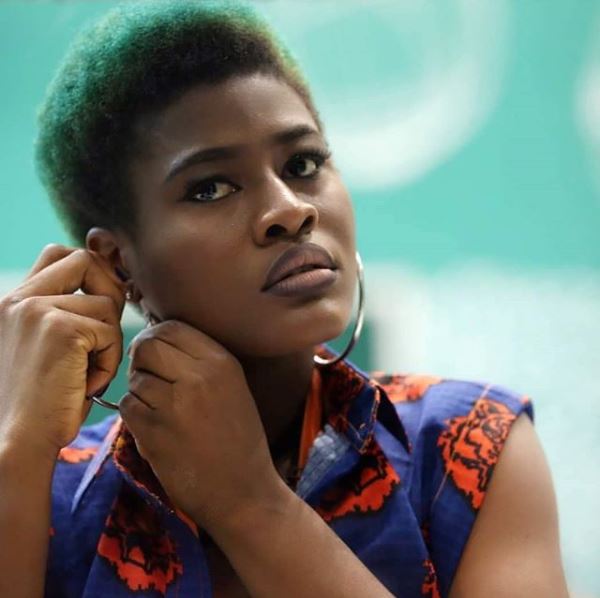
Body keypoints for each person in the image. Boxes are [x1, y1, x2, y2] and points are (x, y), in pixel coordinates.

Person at [0, 1, 568, 597]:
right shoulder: (50, 495)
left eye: (302, 163)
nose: (290, 210)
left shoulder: (467, 448)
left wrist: (248, 502)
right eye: (210, 188)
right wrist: (17, 446)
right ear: (120, 263)